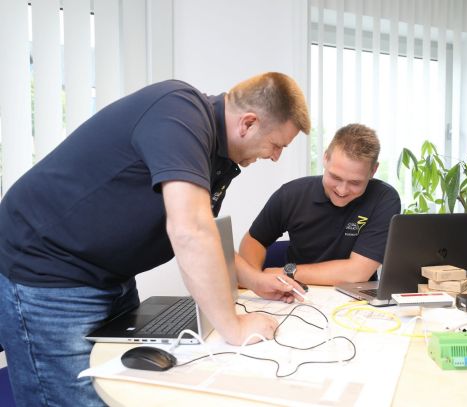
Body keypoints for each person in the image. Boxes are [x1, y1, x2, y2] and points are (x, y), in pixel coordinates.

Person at [0, 72, 310, 406]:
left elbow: (207, 233)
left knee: (123, 389)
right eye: (277, 145)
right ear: (248, 123)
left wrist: (254, 279)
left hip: (110, 277)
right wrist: (234, 327)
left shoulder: (218, 155)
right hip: (48, 272)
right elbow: (190, 231)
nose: (275, 157)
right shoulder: (179, 112)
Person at [239, 123, 401, 286]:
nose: (342, 190)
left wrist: (286, 272)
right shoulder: (291, 194)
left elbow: (357, 272)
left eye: (355, 183)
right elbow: (254, 240)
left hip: (353, 296)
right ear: (325, 158)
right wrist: (254, 279)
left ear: (373, 170)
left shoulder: (384, 199)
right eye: (335, 177)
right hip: (295, 291)